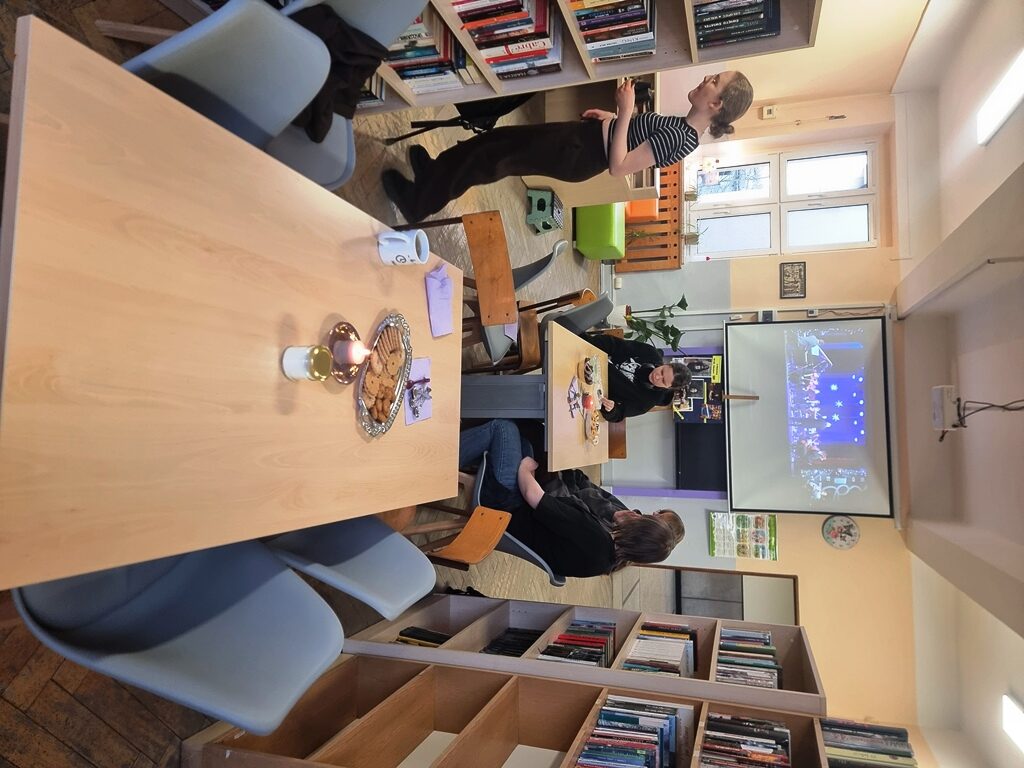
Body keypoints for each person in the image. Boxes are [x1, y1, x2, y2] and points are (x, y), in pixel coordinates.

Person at [382, 71, 754, 223]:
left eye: (714, 81)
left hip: (580, 154)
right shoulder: (682, 129)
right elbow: (634, 135)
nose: (706, 78)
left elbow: (620, 166)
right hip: (584, 141)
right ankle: (434, 174)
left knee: (493, 155)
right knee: (496, 143)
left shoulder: (681, 137)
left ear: (716, 104)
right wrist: (611, 117)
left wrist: (625, 111)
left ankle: (420, 202)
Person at [458, 420, 685, 577]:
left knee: (504, 429)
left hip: (506, 510)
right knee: (526, 441)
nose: (636, 515)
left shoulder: (595, 537)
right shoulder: (608, 560)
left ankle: (443, 458)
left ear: (635, 534)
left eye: (640, 520)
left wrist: (526, 470)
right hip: (519, 520)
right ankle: (463, 455)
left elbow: (533, 495)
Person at [583, 334, 691, 422]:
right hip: (589, 357)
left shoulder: (648, 401)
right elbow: (613, 344)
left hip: (590, 389)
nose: (657, 376)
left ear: (668, 388)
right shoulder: (651, 353)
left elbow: (619, 414)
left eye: (663, 381)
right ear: (666, 364)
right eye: (662, 371)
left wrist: (611, 409)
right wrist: (589, 347)